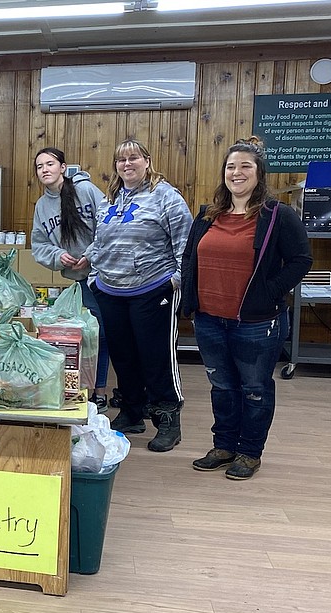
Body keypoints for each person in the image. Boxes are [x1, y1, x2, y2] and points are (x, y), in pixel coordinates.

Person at [181, 137, 312, 480]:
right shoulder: (207, 215)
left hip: (256, 322)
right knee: (222, 387)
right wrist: (191, 301)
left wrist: (269, 291)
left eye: (245, 166)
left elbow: (301, 261)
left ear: (259, 173)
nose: (236, 173)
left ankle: (250, 452)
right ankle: (224, 446)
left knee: (254, 389)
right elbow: (189, 257)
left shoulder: (277, 216)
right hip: (209, 319)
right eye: (231, 166)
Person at [80, 139, 193, 452]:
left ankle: (168, 419)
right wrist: (92, 275)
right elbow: (100, 241)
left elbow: (186, 241)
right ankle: (131, 412)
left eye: (133, 158)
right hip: (111, 291)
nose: (126, 164)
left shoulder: (165, 196)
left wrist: (176, 281)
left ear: (147, 161)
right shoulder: (110, 198)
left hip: (153, 289)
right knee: (124, 356)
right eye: (120, 159)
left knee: (156, 357)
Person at [31, 147, 112, 411]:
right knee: (94, 335)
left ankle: (118, 393)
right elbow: (39, 245)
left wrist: (91, 254)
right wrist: (58, 256)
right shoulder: (42, 207)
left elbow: (109, 224)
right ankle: (97, 392)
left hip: (107, 275)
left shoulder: (86, 191)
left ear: (63, 167)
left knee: (113, 335)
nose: (45, 169)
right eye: (40, 166)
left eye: (50, 164)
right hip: (80, 281)